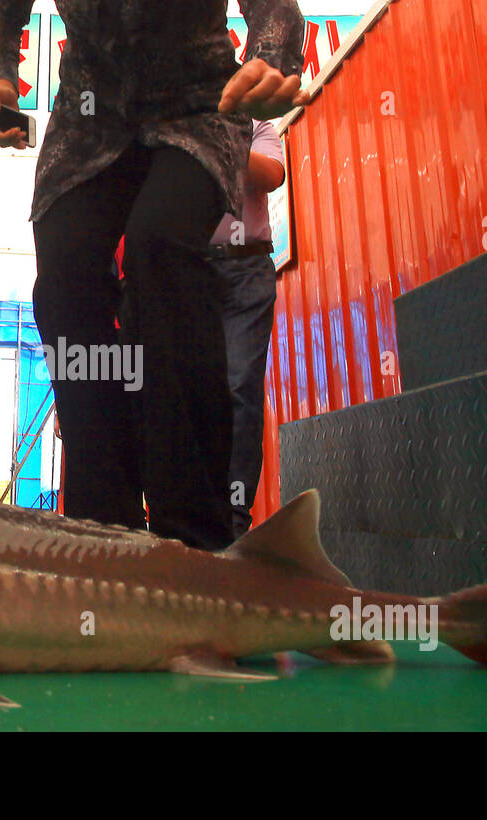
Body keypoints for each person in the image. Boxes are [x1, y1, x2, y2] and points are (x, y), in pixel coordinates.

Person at [0, 1, 306, 550]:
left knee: (161, 248)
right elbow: (2, 14)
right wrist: (0, 79)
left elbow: (273, 8)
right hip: (92, 112)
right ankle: (104, 520)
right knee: (64, 275)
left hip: (199, 106)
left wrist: (271, 56)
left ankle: (195, 528)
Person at [212, 118, 285, 537]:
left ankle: (235, 521)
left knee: (240, 388)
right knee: (192, 391)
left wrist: (211, 142)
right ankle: (192, 515)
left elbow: (272, 173)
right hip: (193, 270)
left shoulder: (258, 125)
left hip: (247, 268)